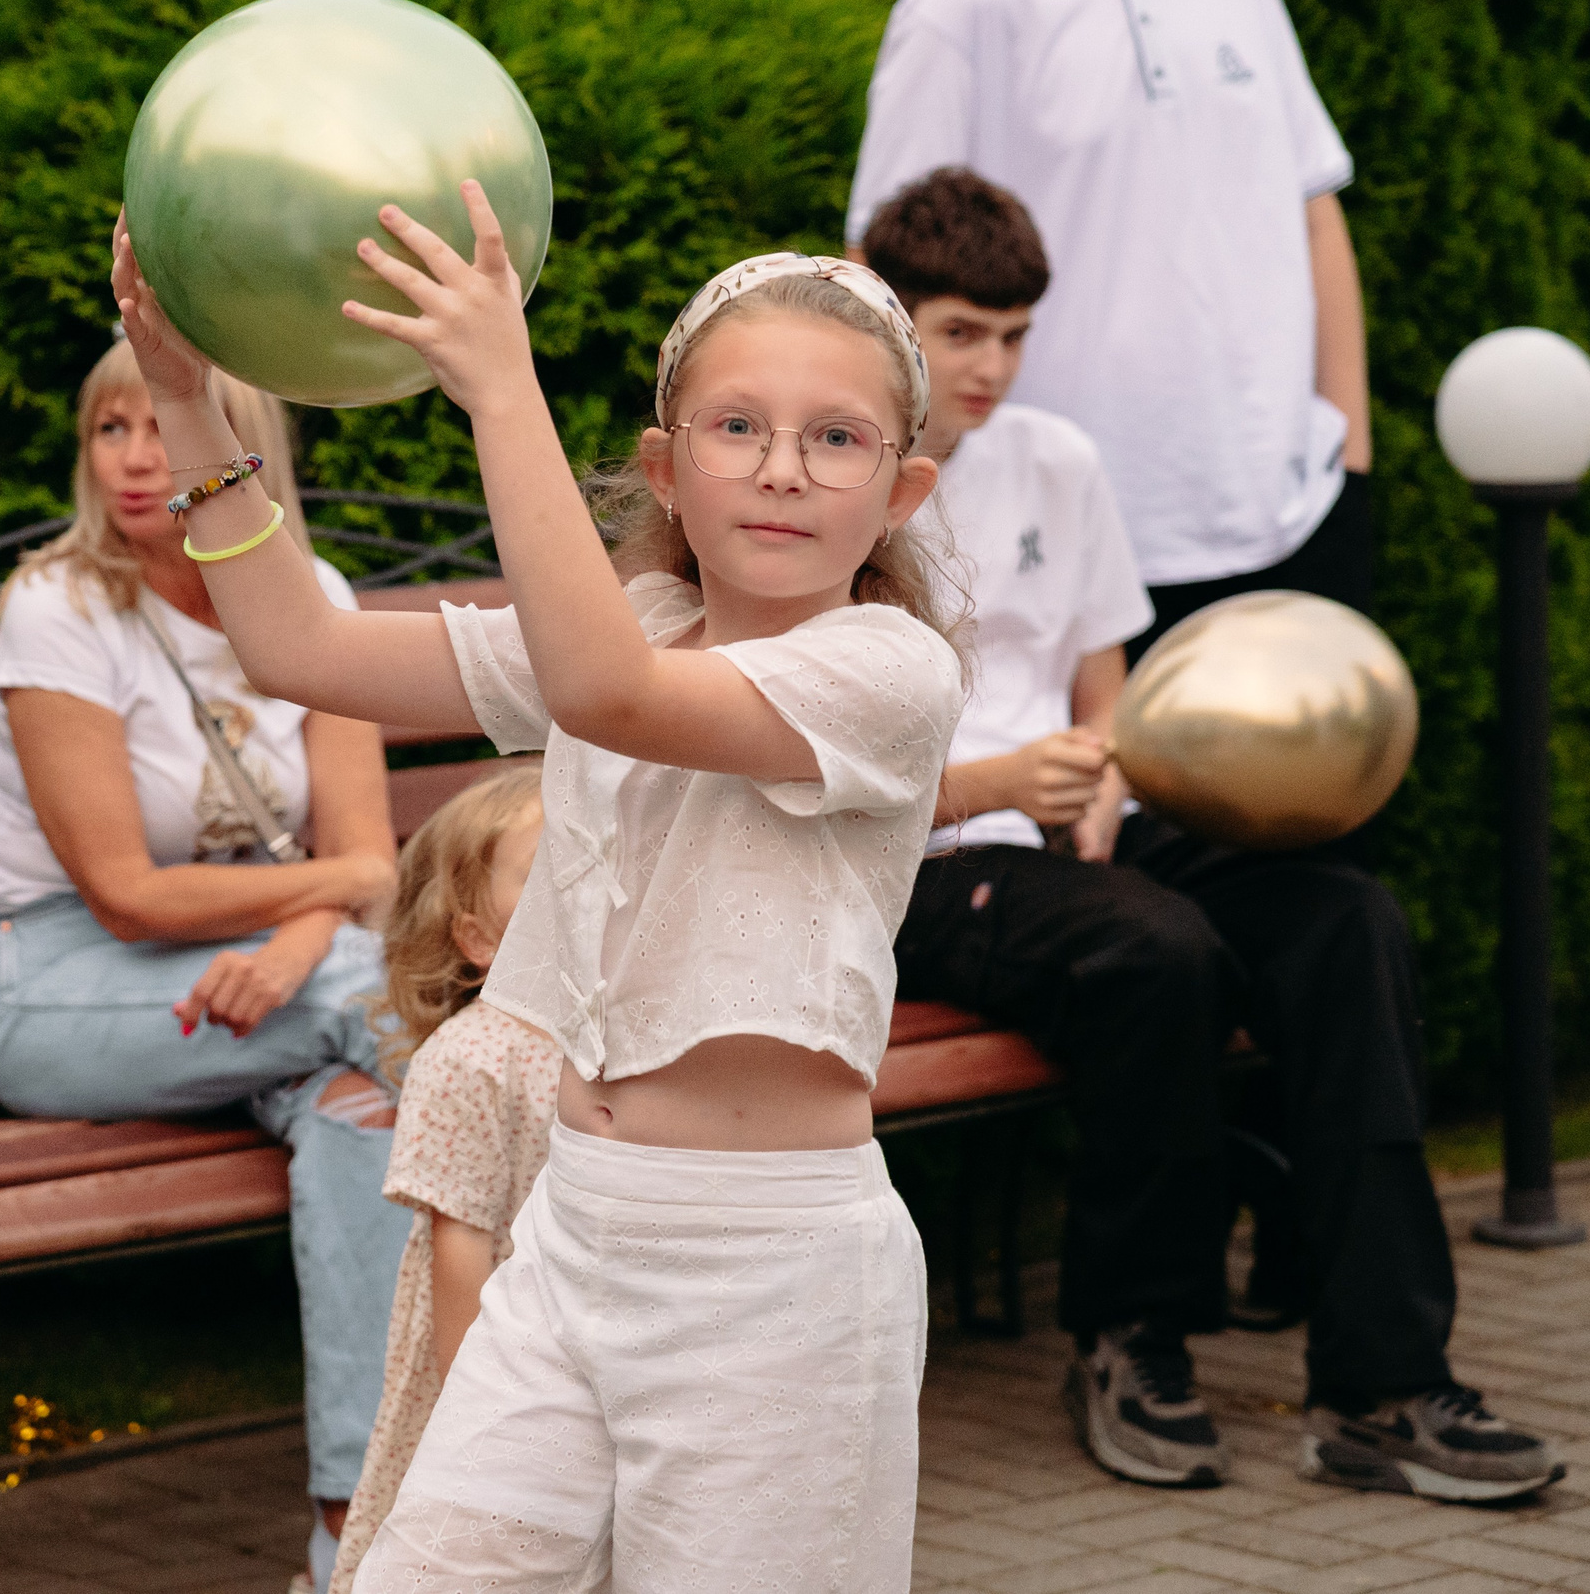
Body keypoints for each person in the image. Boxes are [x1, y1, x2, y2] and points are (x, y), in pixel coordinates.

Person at [111, 189, 965, 1588]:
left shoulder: (888, 670)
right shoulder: (637, 619)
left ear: (900, 493)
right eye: (737, 427)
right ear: (668, 469)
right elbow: (299, 647)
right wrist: (187, 401)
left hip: (775, 1274)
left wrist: (501, 389)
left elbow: (609, 695)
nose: (783, 470)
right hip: (573, 1231)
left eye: (837, 438)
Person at [862, 167, 1562, 1502]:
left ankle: (1382, 1382)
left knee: (1346, 918)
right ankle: (1131, 1336)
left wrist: (1102, 783)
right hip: (925, 853)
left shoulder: (1058, 461)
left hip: (1077, 824)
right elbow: (818, 756)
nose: (993, 366)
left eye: (1014, 334)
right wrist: (1005, 779)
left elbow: (1103, 685)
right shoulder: (838, 478)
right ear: (889, 319)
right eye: (960, 333)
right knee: (1155, 949)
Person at [0, 341, 411, 1588]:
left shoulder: (309, 593)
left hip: (273, 981)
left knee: (363, 1111)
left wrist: (301, 938)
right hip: (58, 981)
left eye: (164, 425)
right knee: (387, 1008)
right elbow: (128, 892)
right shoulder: (59, 605)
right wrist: (328, 915)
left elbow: (369, 858)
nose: (135, 458)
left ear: (242, 451)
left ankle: (353, 1536)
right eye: (111, 429)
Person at [846, 0, 1376, 634]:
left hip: (1296, 509)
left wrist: (1349, 457)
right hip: (1081, 534)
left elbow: (1313, 210)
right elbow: (883, 268)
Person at [328, 767, 556, 1594]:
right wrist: (481, 1405)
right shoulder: (470, 1058)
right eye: (546, 868)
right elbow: (458, 1241)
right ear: (477, 938)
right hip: (493, 1365)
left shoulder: (617, 1037)